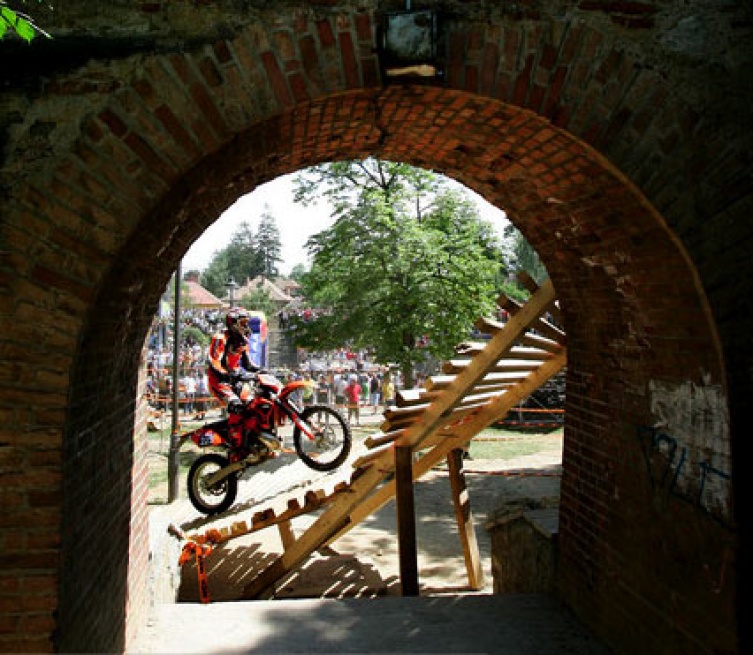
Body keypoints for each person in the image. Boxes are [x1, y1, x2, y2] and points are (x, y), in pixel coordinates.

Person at [207, 307, 265, 452]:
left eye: (247, 323)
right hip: (219, 382)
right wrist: (227, 374)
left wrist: (261, 371)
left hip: (235, 379)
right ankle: (233, 444)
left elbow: (248, 364)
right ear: (233, 323)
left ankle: (251, 438)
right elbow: (214, 362)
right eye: (243, 323)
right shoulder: (220, 338)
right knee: (237, 406)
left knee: (252, 404)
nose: (246, 327)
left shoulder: (243, 340)